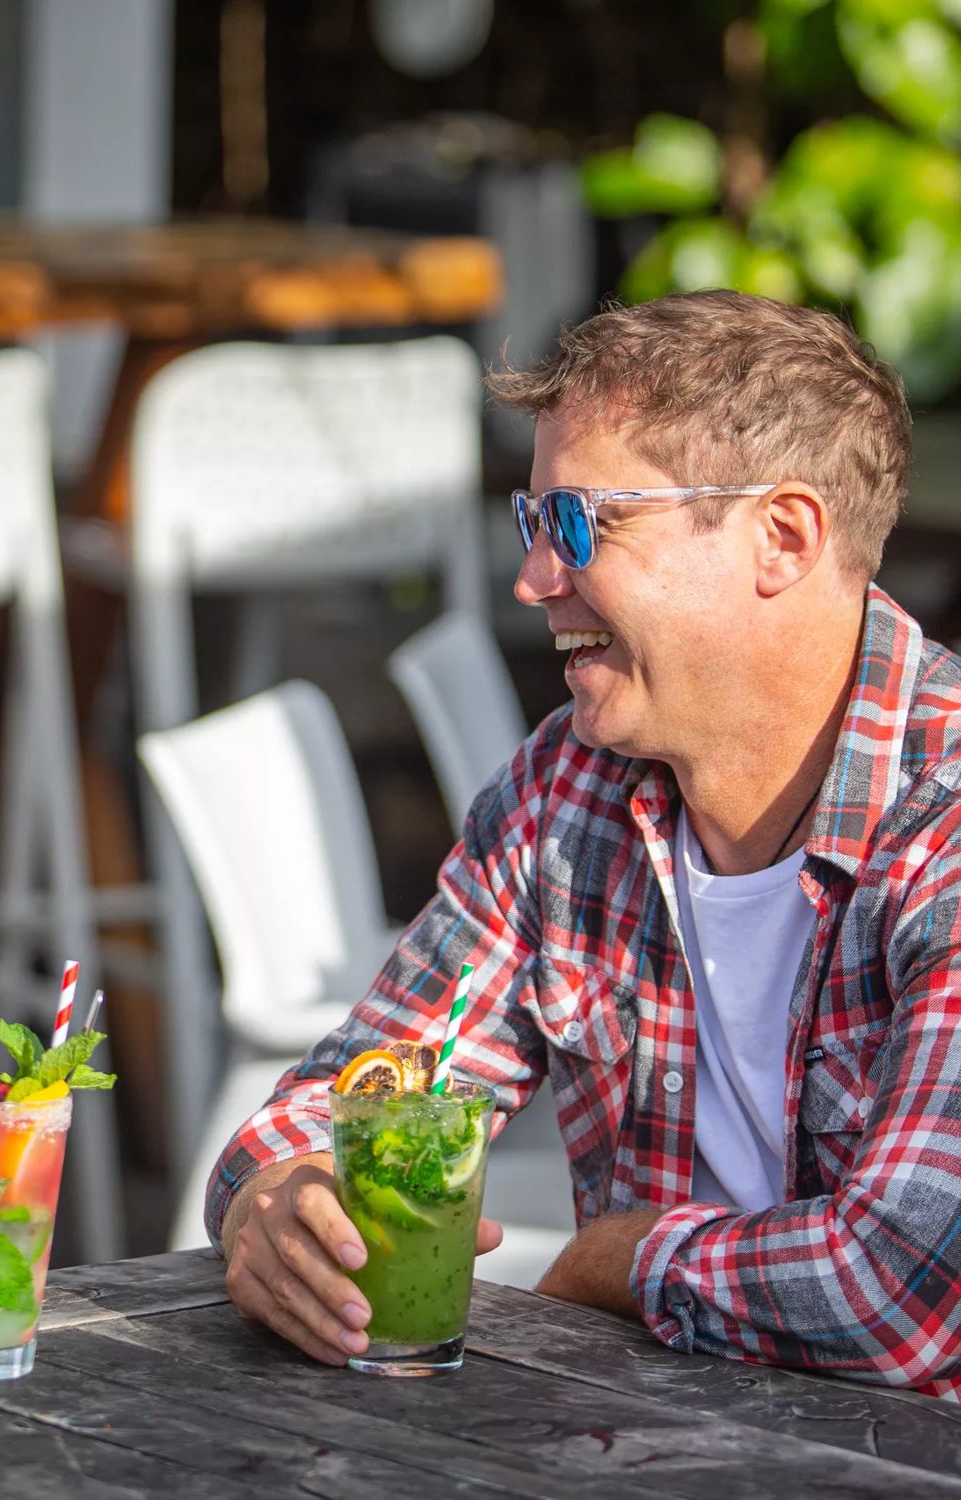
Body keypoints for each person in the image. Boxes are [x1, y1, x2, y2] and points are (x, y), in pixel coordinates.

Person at [209, 290, 961, 1398]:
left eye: (578, 526)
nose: (533, 580)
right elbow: (356, 1088)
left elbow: (905, 1294)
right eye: (531, 525)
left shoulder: (941, 821)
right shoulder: (573, 788)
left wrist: (623, 1259)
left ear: (782, 537)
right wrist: (277, 1196)